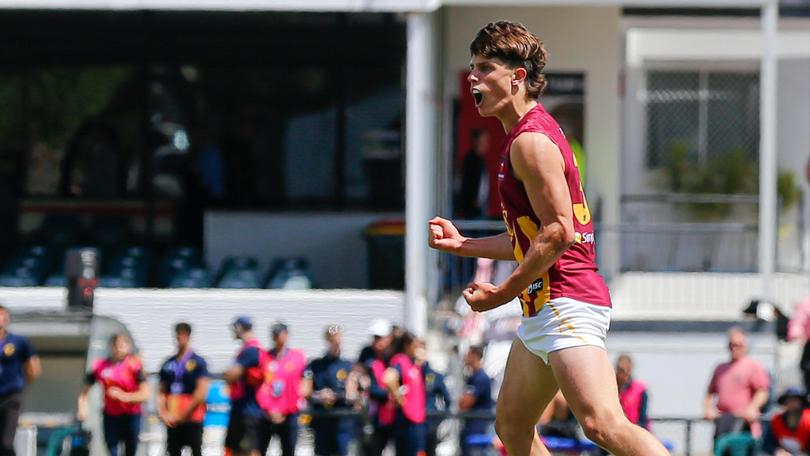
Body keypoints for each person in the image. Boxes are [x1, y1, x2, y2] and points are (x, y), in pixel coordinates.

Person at [427, 21, 670, 456]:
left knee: (602, 424)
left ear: (517, 77)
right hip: (546, 306)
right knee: (513, 426)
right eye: (472, 68)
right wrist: (464, 244)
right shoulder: (523, 136)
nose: (473, 78)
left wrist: (501, 293)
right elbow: (532, 237)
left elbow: (559, 233)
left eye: (485, 68)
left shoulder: (530, 142)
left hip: (566, 300)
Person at [78, 333, 149, 456]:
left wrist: (123, 397)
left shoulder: (134, 366)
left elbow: (145, 394)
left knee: (130, 451)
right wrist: (82, 408)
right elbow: (84, 392)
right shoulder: (100, 366)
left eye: (123, 344)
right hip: (111, 415)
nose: (119, 348)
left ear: (128, 347)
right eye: (117, 344)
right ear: (111, 346)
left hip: (131, 415)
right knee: (112, 450)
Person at [704, 327, 771, 440]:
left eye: (738, 345)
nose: (735, 348)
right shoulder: (720, 368)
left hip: (743, 423)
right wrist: (708, 410)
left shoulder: (753, 366)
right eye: (732, 345)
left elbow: (763, 391)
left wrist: (752, 408)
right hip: (723, 421)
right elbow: (710, 393)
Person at [303, 324, 359, 456]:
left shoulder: (348, 365)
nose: (336, 344)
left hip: (341, 420)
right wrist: (319, 395)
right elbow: (307, 392)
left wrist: (344, 394)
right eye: (332, 341)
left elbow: (353, 395)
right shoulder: (315, 365)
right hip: (322, 419)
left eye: (338, 341)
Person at [157, 322, 210, 456]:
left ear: (188, 336)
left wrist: (183, 415)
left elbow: (201, 392)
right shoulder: (168, 363)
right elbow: (161, 391)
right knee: (173, 451)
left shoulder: (198, 362)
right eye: (178, 335)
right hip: (173, 416)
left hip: (192, 416)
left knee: (196, 450)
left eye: (183, 335)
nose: (180, 338)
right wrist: (163, 413)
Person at [255, 322, 307, 456]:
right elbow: (259, 386)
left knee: (288, 449)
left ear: (287, 335)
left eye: (281, 334)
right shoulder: (264, 357)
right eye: (275, 335)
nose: (279, 338)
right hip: (267, 414)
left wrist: (286, 409)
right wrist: (267, 409)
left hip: (289, 414)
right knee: (259, 449)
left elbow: (300, 385)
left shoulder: (297, 357)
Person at [222, 316, 266, 456]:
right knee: (235, 449)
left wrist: (227, 375)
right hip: (242, 409)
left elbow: (232, 375)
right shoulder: (247, 349)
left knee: (249, 450)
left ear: (240, 328)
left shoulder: (251, 351)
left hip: (248, 411)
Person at [0, 305, 41, 455]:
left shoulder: (18, 341)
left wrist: (22, 387)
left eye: (2, 315)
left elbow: (34, 367)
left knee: (6, 441)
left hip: (11, 396)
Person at [383, 332, 427, 456]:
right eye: (415, 345)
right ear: (407, 345)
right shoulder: (400, 360)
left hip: (416, 420)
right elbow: (388, 377)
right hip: (406, 420)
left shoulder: (413, 363)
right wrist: (400, 398)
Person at [417, 341, 451, 456]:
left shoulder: (433, 376)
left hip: (428, 425)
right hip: (411, 426)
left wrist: (437, 419)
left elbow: (448, 401)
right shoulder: (408, 372)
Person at [458, 345, 493, 456]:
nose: (466, 357)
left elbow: (464, 404)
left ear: (475, 356)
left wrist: (462, 400)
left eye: (469, 354)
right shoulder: (472, 377)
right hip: (470, 426)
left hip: (477, 429)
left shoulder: (481, 378)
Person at [456, 128, 491, 219]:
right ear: (475, 142)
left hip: (480, 204)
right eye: (482, 141)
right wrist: (473, 199)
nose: (485, 144)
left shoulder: (481, 160)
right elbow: (466, 182)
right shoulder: (470, 160)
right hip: (471, 206)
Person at [767, 387, 810, 456]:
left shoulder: (808, 420)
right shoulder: (776, 421)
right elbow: (768, 443)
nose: (793, 404)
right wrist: (777, 451)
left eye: (796, 401)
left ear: (802, 403)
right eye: (789, 401)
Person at [616, 354, 650, 430]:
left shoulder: (640, 389)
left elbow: (643, 419)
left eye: (626, 370)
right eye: (620, 369)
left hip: (634, 431)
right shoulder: (611, 388)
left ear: (630, 369)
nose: (623, 374)